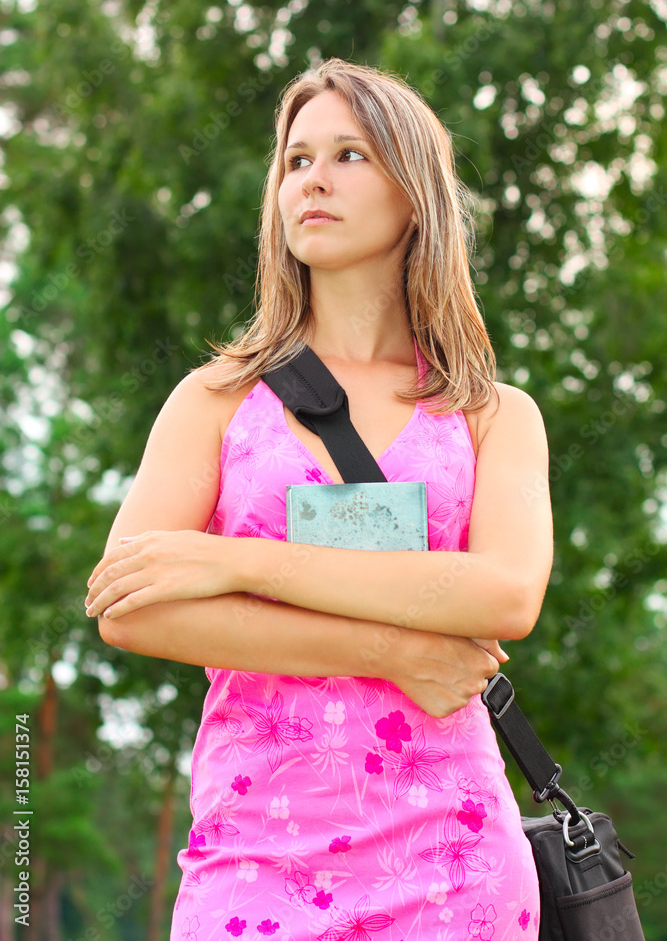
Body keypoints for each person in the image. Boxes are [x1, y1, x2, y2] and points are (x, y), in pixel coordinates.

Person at [85, 58, 552, 939]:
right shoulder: (215, 399)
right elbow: (127, 606)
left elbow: (505, 595)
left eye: (348, 155)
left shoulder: (490, 416)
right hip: (252, 860)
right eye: (295, 161)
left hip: (454, 866)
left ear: (414, 194)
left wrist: (232, 561)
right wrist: (385, 647)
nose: (313, 181)